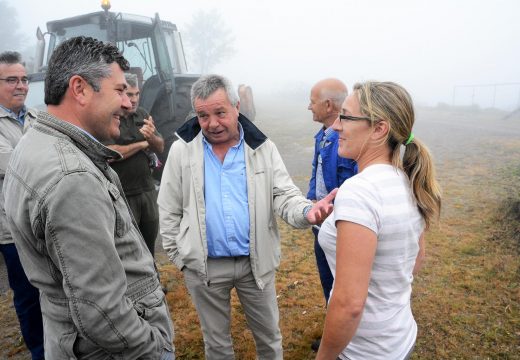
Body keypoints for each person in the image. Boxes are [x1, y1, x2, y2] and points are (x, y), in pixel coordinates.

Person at [3, 37, 174, 359]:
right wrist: (154, 349)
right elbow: (101, 311)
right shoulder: (72, 178)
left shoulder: (35, 141)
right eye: (120, 91)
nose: (128, 103)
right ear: (80, 89)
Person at [158, 74, 336, 360]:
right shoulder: (181, 150)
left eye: (220, 113)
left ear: (236, 106)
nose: (212, 123)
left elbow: (284, 194)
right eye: (203, 116)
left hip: (255, 264)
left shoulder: (262, 148)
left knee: (269, 339)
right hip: (204, 268)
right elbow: (168, 209)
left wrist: (306, 212)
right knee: (216, 344)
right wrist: (182, 260)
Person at [316, 81, 442, 360]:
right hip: (399, 339)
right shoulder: (406, 179)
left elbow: (349, 304)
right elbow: (417, 258)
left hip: (365, 351)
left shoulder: (360, 191)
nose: (337, 126)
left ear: (379, 129)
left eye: (346, 116)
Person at [0, 51, 44, 360]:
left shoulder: (36, 117)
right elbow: (15, 163)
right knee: (29, 295)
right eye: (12, 80)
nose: (21, 86)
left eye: (24, 79)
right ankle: (41, 352)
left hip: (42, 221)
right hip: (12, 229)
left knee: (52, 290)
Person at [105, 73, 164, 257]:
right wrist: (142, 144)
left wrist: (152, 138)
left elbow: (160, 146)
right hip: (123, 193)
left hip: (147, 190)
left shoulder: (143, 114)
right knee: (129, 247)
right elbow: (111, 153)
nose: (134, 99)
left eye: (137, 94)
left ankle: (153, 280)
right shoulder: (111, 117)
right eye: (129, 94)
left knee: (149, 242)